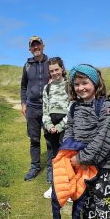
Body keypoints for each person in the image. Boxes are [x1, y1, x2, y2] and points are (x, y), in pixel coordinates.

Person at [53, 63, 110, 219]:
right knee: (86, 207)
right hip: (81, 168)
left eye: (85, 83)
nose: (81, 88)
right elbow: (70, 130)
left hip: (102, 167)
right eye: (77, 84)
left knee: (103, 210)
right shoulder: (74, 107)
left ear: (96, 83)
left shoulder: (107, 108)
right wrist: (68, 154)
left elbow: (102, 139)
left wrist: (81, 158)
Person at [21, 35, 49, 182]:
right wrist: (23, 103)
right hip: (32, 108)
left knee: (51, 139)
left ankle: (51, 168)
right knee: (34, 139)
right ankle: (35, 166)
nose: (36, 47)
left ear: (43, 45)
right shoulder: (27, 66)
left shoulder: (51, 63)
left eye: (38, 44)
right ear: (30, 49)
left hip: (48, 108)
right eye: (33, 45)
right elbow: (23, 86)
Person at [42, 57, 69, 198]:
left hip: (65, 127)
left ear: (62, 69)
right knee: (53, 157)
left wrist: (60, 126)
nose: (54, 73)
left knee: (66, 158)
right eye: (51, 71)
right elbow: (45, 110)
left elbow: (72, 109)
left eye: (56, 69)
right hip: (50, 127)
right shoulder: (47, 88)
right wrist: (49, 126)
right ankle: (54, 187)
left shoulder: (69, 86)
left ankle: (69, 189)